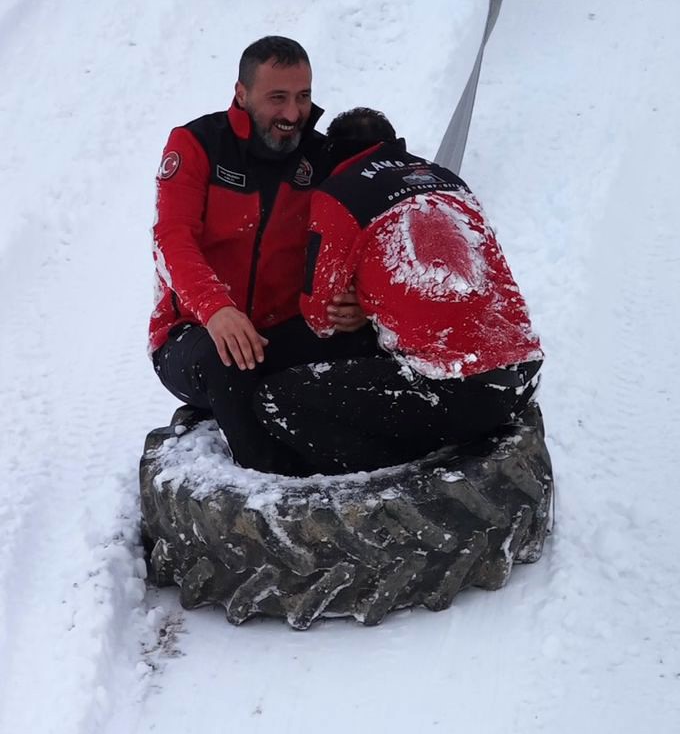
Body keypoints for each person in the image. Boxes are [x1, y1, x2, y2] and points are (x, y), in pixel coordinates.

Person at [256, 108, 543, 474]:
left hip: (454, 388)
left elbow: (321, 317)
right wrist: (375, 301)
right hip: (522, 373)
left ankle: (393, 482)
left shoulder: (340, 193)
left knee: (278, 400)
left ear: (332, 155)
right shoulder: (447, 179)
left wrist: (358, 306)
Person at [150, 36, 376, 473]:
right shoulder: (196, 144)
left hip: (280, 333)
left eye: (303, 96)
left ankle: (368, 465)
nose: (293, 114)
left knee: (372, 341)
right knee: (230, 359)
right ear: (241, 93)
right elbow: (171, 239)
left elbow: (357, 236)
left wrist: (359, 301)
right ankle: (271, 490)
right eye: (278, 98)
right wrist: (217, 311)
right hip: (195, 334)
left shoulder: (318, 154)